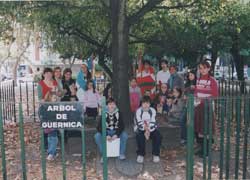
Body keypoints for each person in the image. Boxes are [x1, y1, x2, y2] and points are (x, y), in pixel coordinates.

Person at [194, 61, 218, 156]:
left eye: (204, 68)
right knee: (199, 129)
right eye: (200, 68)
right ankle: (202, 148)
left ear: (208, 69)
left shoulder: (212, 80)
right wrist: (196, 98)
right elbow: (196, 92)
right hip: (198, 107)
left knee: (206, 129)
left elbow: (215, 95)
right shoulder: (199, 79)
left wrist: (203, 99)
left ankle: (206, 151)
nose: (202, 70)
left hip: (207, 107)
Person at [94, 98, 128, 163]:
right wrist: (106, 135)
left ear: (116, 105)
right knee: (97, 136)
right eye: (110, 104)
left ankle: (121, 153)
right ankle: (104, 154)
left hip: (115, 131)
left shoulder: (119, 113)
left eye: (113, 104)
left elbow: (122, 126)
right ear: (107, 105)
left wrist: (116, 134)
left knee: (124, 135)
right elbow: (99, 127)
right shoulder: (103, 113)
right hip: (106, 131)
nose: (112, 106)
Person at [37, 68, 60, 161]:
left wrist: (58, 94)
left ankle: (51, 152)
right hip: (45, 110)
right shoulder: (40, 84)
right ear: (44, 74)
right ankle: (51, 151)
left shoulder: (55, 82)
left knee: (53, 131)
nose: (49, 75)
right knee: (48, 131)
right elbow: (40, 99)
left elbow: (58, 95)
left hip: (55, 110)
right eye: (47, 73)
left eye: (50, 73)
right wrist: (49, 94)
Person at [134, 96, 162, 163]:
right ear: (141, 104)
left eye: (147, 103)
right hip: (141, 128)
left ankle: (156, 154)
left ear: (150, 104)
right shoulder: (138, 111)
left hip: (151, 128)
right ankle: (141, 154)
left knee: (158, 136)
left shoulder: (152, 110)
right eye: (144, 103)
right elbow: (139, 123)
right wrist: (145, 130)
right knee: (139, 136)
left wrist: (148, 130)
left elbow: (153, 121)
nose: (146, 105)